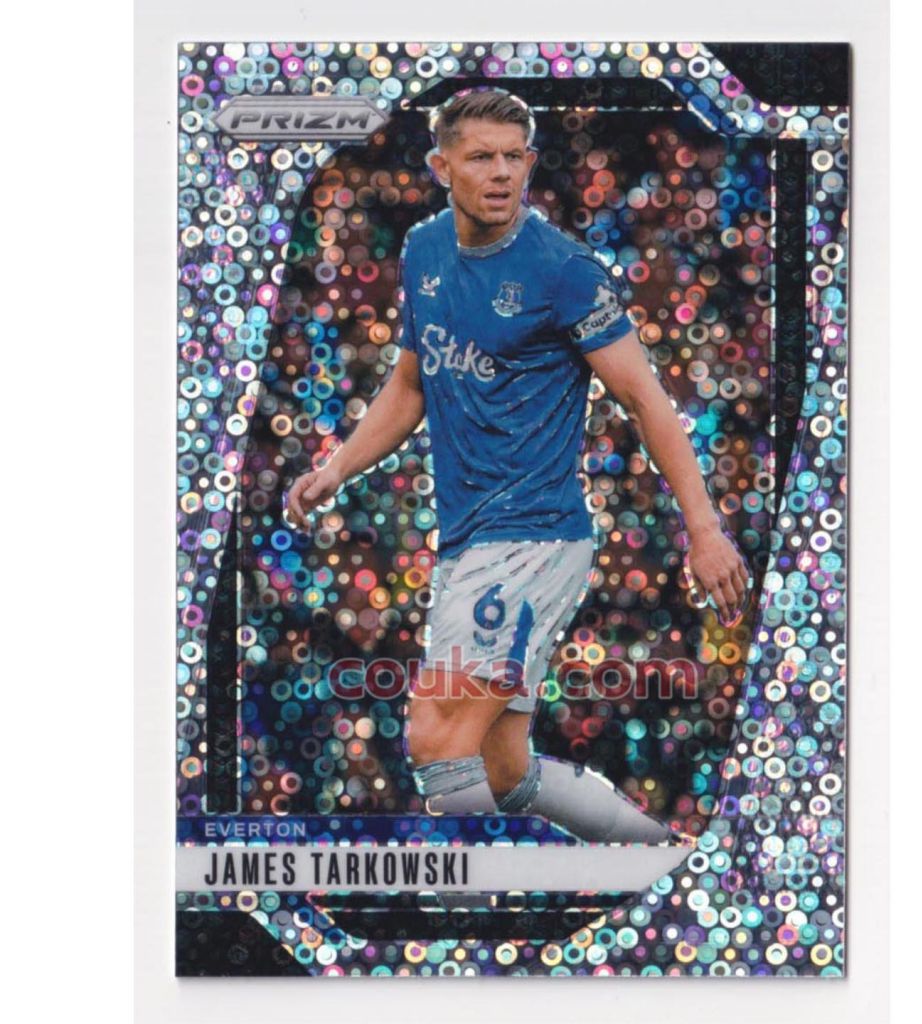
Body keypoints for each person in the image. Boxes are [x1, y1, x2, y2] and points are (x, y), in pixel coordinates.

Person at [286, 88, 751, 844]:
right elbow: (411, 383)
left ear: (531, 162)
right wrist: (338, 468)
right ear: (442, 167)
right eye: (481, 157)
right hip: (471, 541)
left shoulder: (563, 271)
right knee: (503, 772)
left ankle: (467, 904)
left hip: (531, 538)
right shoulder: (425, 250)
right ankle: (665, 859)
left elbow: (646, 400)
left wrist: (703, 530)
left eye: (514, 156)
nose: (501, 172)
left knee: (436, 736)